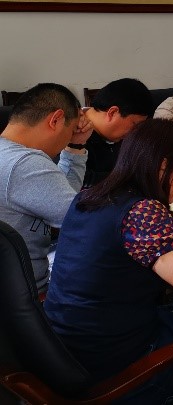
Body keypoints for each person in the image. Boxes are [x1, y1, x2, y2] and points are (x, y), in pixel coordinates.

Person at [43, 119, 173, 403]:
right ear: (163, 165)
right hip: (118, 369)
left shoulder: (89, 197)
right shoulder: (143, 211)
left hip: (67, 353)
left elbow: (119, 226)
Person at [0, 83, 92, 291]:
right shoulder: (25, 163)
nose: (69, 138)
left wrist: (75, 146)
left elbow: (60, 196)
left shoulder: (7, 154)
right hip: (28, 296)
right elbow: (81, 220)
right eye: (70, 131)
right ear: (56, 119)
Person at [82, 78, 154, 188]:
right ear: (112, 113)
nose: (134, 131)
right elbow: (77, 181)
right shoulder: (71, 133)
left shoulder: (115, 136)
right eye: (134, 124)